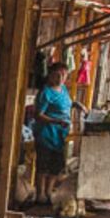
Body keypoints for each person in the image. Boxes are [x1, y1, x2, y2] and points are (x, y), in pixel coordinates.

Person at [31, 62, 77, 206]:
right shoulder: (45, 93)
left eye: (64, 75)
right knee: (43, 166)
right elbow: (38, 115)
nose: (61, 78)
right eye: (57, 75)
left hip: (59, 135)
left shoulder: (63, 89)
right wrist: (56, 121)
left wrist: (77, 105)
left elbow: (67, 103)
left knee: (55, 167)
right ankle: (40, 194)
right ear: (50, 75)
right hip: (46, 134)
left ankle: (49, 192)